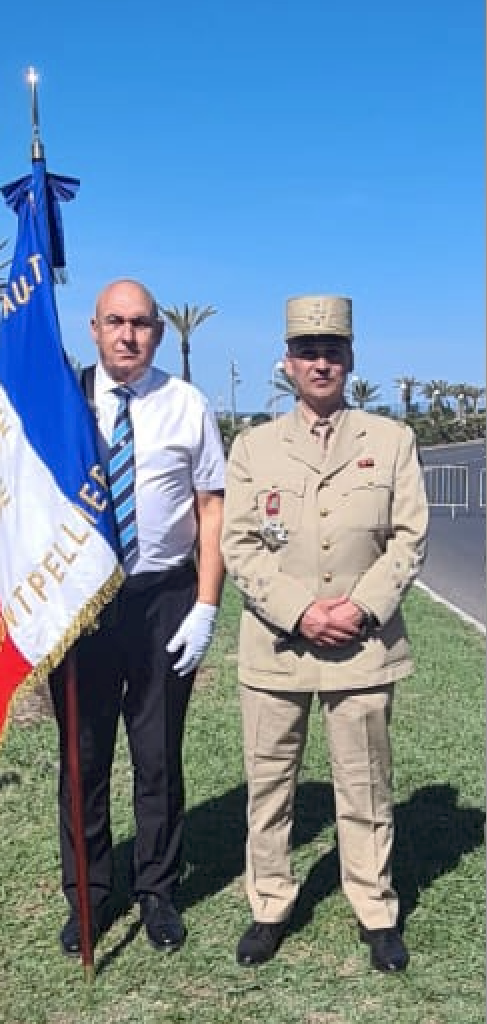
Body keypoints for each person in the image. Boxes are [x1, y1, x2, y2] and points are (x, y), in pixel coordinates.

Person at [221, 295, 428, 973]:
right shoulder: (253, 447)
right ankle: (270, 904)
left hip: (362, 647)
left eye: (332, 352)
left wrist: (361, 609)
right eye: (307, 352)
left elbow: (408, 539)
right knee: (269, 785)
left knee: (365, 784)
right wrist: (301, 611)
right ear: (287, 363)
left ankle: (376, 909)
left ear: (350, 360)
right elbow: (239, 544)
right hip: (277, 646)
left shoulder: (390, 440)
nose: (320, 363)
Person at [49, 278, 226, 956]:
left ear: (158, 331)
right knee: (83, 756)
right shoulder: (61, 404)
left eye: (142, 323)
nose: (129, 335)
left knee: (157, 757)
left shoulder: (186, 404)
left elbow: (211, 506)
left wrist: (205, 605)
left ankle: (157, 890)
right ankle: (89, 896)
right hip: (82, 604)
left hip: (163, 600)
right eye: (116, 322)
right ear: (94, 329)